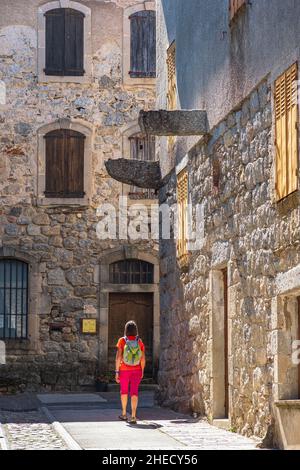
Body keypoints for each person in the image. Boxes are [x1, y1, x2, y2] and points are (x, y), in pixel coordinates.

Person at [115, 320, 146, 424]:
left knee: (124, 391)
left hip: (124, 369)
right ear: (136, 330)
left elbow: (119, 357)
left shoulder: (122, 341)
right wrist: (142, 370)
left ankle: (124, 414)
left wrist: (116, 371)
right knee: (134, 392)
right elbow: (142, 359)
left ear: (126, 330)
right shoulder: (139, 342)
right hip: (136, 370)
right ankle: (133, 416)